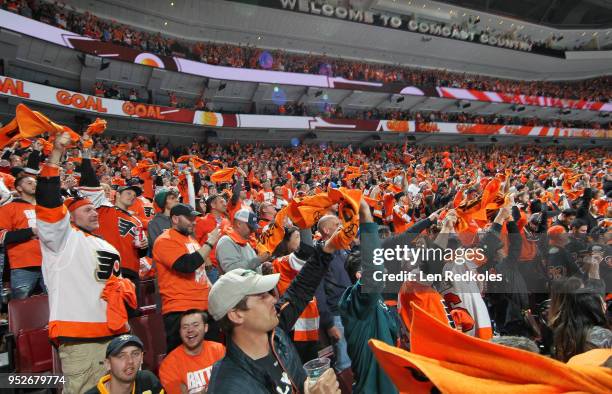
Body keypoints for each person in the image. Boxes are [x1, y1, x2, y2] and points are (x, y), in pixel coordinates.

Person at [36, 132, 135, 393]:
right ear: (69, 215)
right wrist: (56, 155)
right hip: (81, 339)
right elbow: (47, 200)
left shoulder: (105, 244)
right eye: (87, 209)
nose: (94, 211)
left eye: (95, 208)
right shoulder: (61, 238)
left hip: (116, 334)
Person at [207, 238, 340, 393]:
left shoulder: (276, 333)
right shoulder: (228, 386)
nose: (273, 299)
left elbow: (299, 291)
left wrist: (326, 250)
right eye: (262, 296)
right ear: (236, 315)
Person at [338, 199, 399, 394]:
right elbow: (374, 272)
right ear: (359, 276)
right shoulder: (355, 300)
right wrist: (365, 216)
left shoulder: (374, 298)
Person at [152, 203, 220, 353]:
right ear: (175, 219)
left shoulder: (191, 240)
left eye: (194, 218)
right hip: (180, 309)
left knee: (213, 357)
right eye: (189, 218)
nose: (194, 221)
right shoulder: (165, 240)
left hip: (203, 307)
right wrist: (209, 242)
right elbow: (186, 265)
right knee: (183, 360)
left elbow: (200, 273)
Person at [316, 214, 352, 372]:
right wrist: (329, 322)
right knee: (344, 361)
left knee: (357, 353)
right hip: (336, 313)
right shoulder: (319, 254)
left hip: (350, 307)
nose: (341, 226)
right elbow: (319, 292)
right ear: (326, 230)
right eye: (337, 224)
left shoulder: (342, 248)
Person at [159, 309, 225, 394]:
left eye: (195, 325)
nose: (190, 330)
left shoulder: (219, 350)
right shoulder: (168, 364)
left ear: (206, 328)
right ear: (180, 332)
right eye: (185, 327)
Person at [549, 276, 612, 362]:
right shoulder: (602, 335)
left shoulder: (562, 330)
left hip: (571, 372)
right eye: (602, 303)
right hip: (596, 373)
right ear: (593, 307)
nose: (605, 305)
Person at [85, 334, 164, 394]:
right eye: (121, 356)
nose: (130, 361)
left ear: (142, 358)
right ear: (108, 364)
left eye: (135, 354)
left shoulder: (148, 380)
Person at [215, 208, 269, 274]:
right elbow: (231, 269)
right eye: (251, 228)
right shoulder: (226, 241)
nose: (253, 231)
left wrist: (261, 268)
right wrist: (258, 260)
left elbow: (250, 267)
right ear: (239, 224)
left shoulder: (245, 241)